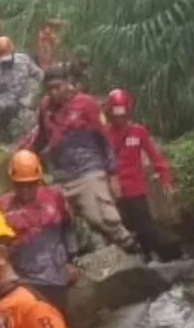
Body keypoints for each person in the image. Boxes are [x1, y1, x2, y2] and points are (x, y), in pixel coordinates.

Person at [16, 66, 138, 254]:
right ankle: (77, 257)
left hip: (88, 170)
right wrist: (25, 154)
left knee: (103, 217)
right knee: (60, 218)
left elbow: (104, 139)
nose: (53, 92)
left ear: (67, 84)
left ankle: (131, 248)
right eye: (49, 89)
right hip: (60, 175)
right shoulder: (45, 106)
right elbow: (42, 136)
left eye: (57, 87)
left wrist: (113, 175)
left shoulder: (86, 104)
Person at [0, 150, 78, 314]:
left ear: (38, 180)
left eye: (30, 184)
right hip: (20, 282)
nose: (25, 190)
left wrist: (72, 260)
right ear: (12, 182)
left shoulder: (54, 197)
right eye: (20, 185)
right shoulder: (1, 207)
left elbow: (69, 226)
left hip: (54, 279)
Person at [104, 88, 177, 261]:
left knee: (144, 226)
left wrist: (165, 177)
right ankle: (133, 259)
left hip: (136, 190)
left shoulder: (138, 131)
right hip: (115, 191)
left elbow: (154, 155)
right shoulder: (104, 133)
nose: (119, 119)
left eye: (122, 114)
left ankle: (152, 257)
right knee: (122, 227)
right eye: (115, 115)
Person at [0, 37, 44, 139]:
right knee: (0, 128)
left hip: (25, 101)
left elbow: (39, 75)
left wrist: (40, 92)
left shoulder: (23, 60)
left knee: (30, 127)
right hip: (5, 105)